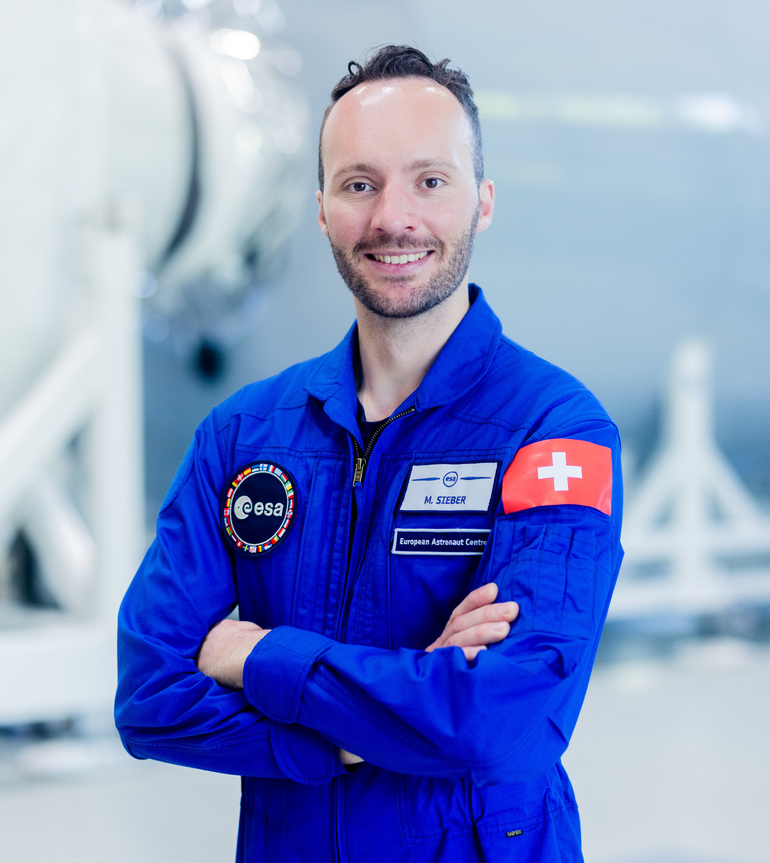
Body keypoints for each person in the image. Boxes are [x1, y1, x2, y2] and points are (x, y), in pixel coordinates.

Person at [116, 45, 624, 862]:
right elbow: (149, 695)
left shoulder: (552, 429)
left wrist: (259, 654)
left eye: (431, 180)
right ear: (322, 208)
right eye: (360, 183)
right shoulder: (244, 436)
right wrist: (336, 743)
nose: (394, 217)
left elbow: (503, 715)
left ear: (481, 202)